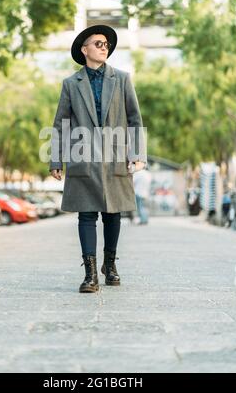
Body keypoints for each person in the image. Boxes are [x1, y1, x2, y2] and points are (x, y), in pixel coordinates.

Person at [49, 24, 146, 293]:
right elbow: (61, 124)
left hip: (116, 156)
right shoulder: (71, 84)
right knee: (87, 214)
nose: (104, 47)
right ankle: (90, 274)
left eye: (106, 44)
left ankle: (110, 264)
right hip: (83, 157)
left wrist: (137, 155)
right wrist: (56, 159)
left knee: (113, 213)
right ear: (85, 49)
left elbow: (135, 120)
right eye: (98, 43)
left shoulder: (123, 79)